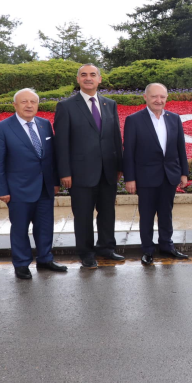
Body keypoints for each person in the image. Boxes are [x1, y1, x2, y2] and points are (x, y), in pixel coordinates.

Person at [0, 89, 67, 279]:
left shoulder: (44, 124)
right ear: (15, 105)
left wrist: (55, 182)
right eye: (24, 102)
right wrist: (1, 189)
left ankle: (45, 258)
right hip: (17, 190)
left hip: (44, 187)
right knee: (20, 228)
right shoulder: (2, 128)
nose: (29, 105)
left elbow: (51, 157)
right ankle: (22, 263)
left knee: (45, 226)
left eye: (33, 101)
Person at [54, 64, 125, 269]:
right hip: (80, 173)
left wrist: (119, 165)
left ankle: (106, 248)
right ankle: (86, 253)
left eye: (92, 75)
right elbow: (61, 143)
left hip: (108, 171)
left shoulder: (109, 104)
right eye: (84, 75)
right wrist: (65, 172)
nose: (88, 78)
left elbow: (115, 136)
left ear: (99, 79)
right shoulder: (66, 106)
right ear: (78, 80)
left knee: (107, 212)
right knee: (83, 215)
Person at [123, 83, 190, 265]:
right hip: (145, 177)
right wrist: (130, 178)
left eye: (162, 97)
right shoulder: (134, 120)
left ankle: (167, 246)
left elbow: (180, 148)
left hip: (169, 175)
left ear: (167, 98)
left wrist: (184, 173)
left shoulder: (174, 118)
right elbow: (128, 151)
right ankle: (147, 250)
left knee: (166, 213)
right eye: (154, 97)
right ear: (145, 97)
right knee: (146, 215)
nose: (158, 100)